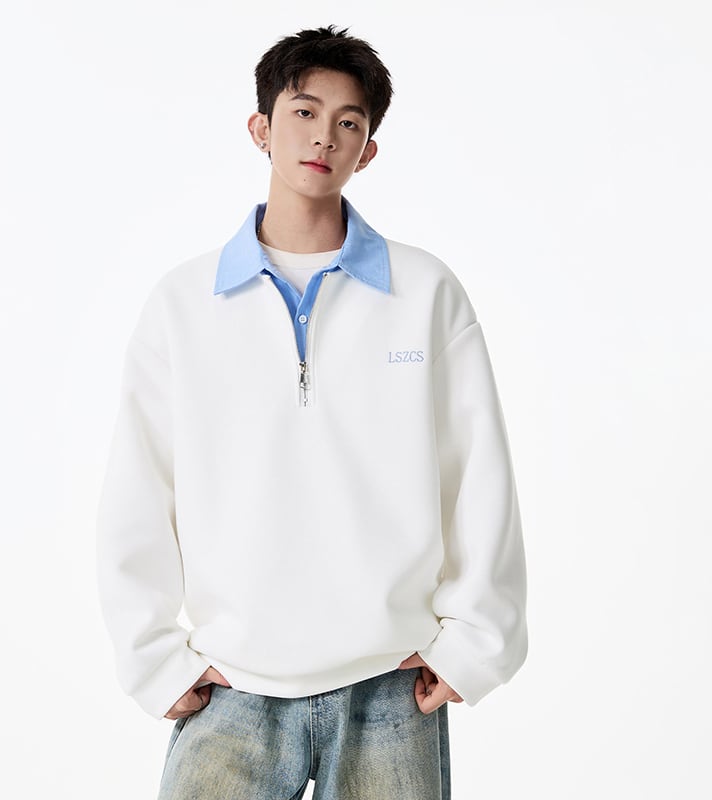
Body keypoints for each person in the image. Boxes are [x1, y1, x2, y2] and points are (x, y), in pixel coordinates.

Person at [97, 25, 527, 800]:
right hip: (231, 685)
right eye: (304, 112)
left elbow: (479, 475)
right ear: (261, 128)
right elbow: (139, 487)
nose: (324, 136)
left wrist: (475, 645)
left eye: (348, 121)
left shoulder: (425, 293)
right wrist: (154, 658)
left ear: (368, 150)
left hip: (391, 683)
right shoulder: (183, 304)